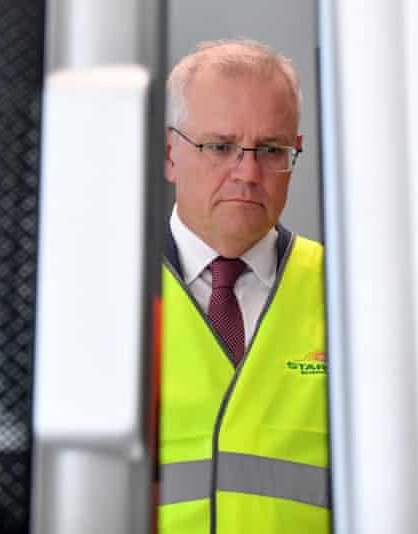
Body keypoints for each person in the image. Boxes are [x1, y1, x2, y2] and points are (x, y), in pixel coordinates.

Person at [159, 39, 329, 534]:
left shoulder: (350, 297)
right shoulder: (104, 296)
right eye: (220, 147)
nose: (248, 174)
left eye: (271, 150)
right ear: (171, 155)